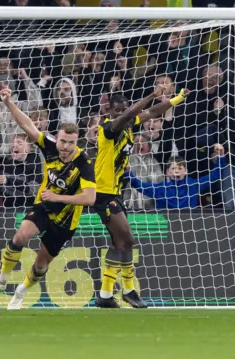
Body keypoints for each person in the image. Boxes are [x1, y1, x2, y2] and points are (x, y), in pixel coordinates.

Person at [0, 88, 96, 309]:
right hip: (43, 206)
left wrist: (58, 197)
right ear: (56, 138)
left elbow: (89, 198)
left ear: (77, 142)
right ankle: (1, 280)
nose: (66, 147)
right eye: (63, 141)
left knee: (40, 265)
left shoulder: (84, 163)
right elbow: (26, 124)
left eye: (71, 143)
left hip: (66, 220)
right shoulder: (48, 145)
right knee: (20, 237)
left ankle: (21, 292)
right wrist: (8, 102)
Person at [94, 88, 189, 309]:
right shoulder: (108, 128)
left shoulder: (128, 126)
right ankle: (128, 290)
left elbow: (153, 112)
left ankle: (106, 294)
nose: (121, 113)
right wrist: (151, 94)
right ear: (109, 110)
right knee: (127, 239)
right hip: (103, 193)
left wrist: (177, 99)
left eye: (123, 110)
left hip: (116, 192)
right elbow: (130, 115)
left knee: (119, 242)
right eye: (117, 110)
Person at [127, 145, 227, 209]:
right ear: (167, 172)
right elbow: (138, 185)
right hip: (166, 227)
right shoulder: (160, 189)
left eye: (179, 168)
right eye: (173, 168)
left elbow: (214, 176)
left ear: (185, 171)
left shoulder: (193, 185)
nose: (176, 171)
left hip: (190, 225)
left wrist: (221, 156)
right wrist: (128, 172)